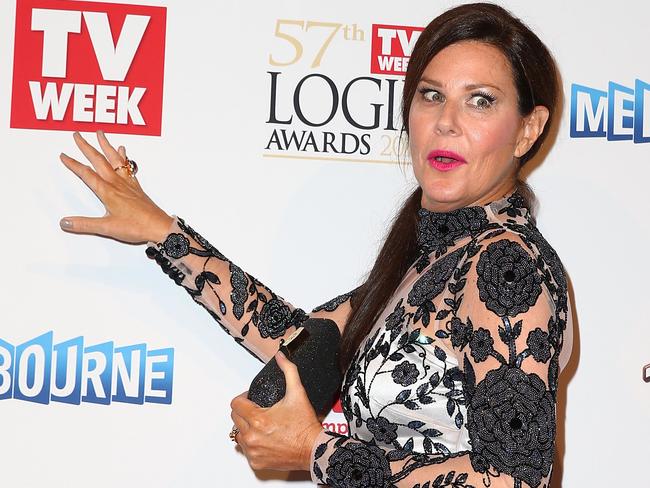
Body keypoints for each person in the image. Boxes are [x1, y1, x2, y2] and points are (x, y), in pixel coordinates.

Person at [59, 3, 573, 487]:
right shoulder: (433, 259)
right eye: (431, 94)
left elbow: (513, 478)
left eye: (480, 101)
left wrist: (314, 451)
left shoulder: (507, 264)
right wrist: (164, 233)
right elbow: (303, 344)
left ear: (528, 130)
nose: (446, 122)